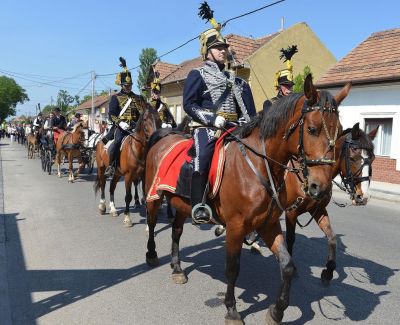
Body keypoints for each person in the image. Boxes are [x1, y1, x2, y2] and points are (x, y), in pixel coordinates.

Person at [183, 3, 256, 224]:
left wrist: (249, 123)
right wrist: (213, 118)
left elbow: (250, 112)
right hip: (208, 128)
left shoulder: (238, 81)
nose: (223, 51)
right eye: (218, 48)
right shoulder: (197, 74)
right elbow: (189, 105)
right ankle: (198, 205)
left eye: (224, 48)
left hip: (235, 128)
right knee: (203, 157)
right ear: (207, 51)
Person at [102, 57, 147, 176]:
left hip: (135, 127)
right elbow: (111, 115)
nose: (128, 87)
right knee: (117, 142)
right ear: (122, 85)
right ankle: (111, 166)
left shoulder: (137, 98)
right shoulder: (115, 98)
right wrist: (120, 123)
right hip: (121, 128)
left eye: (130, 85)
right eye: (126, 85)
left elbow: (141, 114)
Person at [263, 45, 298, 110]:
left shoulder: (295, 103)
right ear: (279, 86)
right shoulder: (270, 103)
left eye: (290, 86)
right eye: (285, 85)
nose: (289, 89)